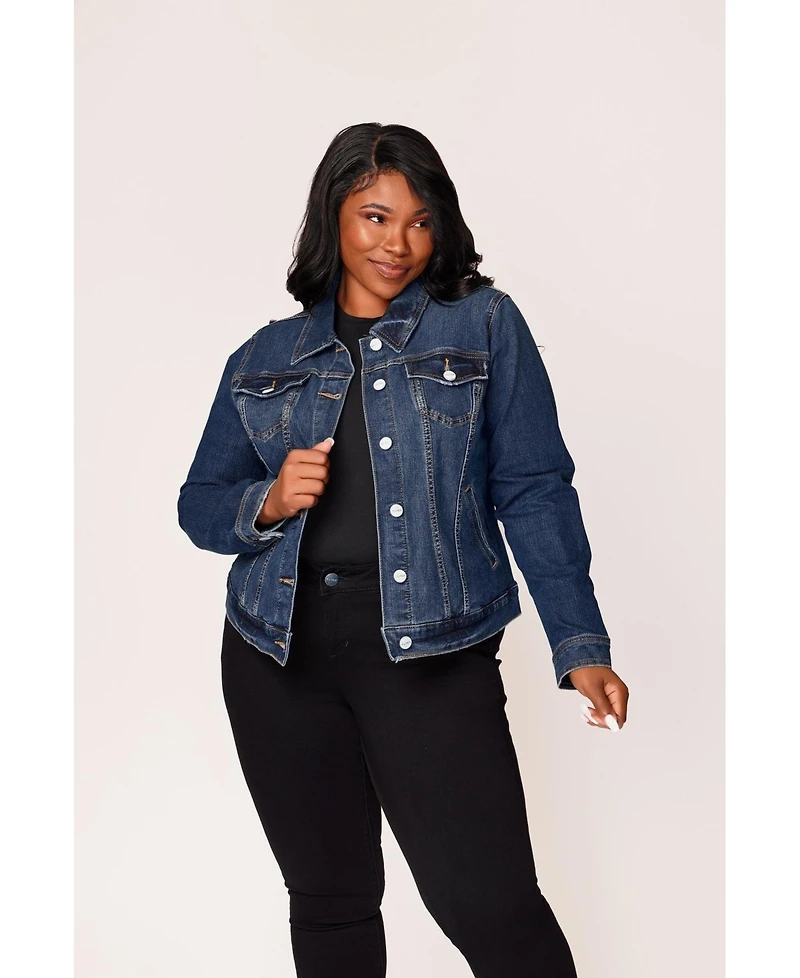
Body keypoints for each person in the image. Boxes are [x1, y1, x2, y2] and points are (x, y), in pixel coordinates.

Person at [178, 122, 629, 978]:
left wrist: (580, 644)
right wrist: (265, 502)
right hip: (276, 654)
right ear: (334, 217)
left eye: (420, 222)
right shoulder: (266, 355)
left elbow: (534, 486)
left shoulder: (482, 325)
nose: (398, 243)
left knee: (491, 906)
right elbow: (198, 504)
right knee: (330, 902)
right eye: (375, 217)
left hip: (432, 651)